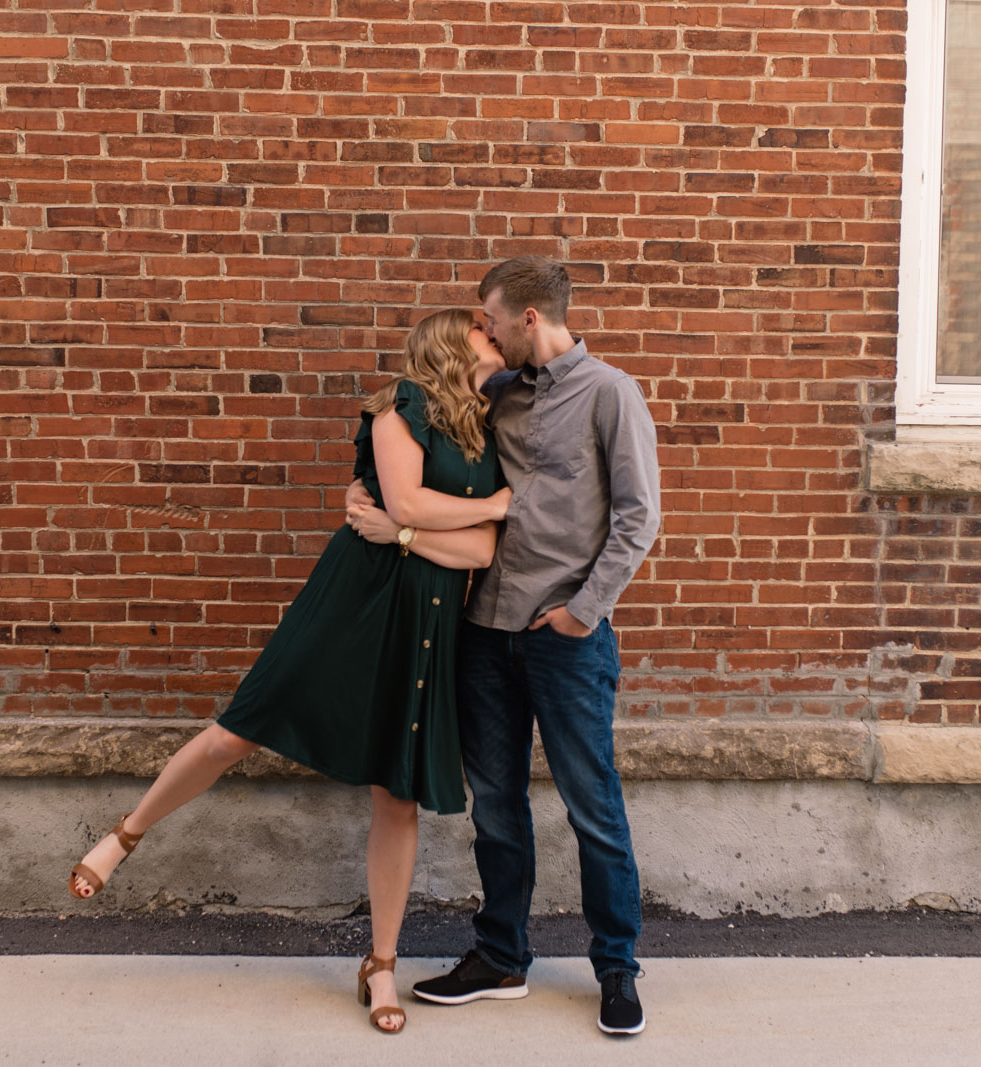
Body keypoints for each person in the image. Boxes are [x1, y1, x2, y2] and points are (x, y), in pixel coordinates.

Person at [66, 308, 510, 1035]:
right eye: (485, 334)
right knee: (241, 726)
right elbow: (405, 499)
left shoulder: (483, 428)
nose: (498, 341)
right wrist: (479, 507)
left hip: (427, 624)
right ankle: (125, 834)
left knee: (396, 794)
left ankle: (382, 963)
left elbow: (483, 553)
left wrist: (408, 534)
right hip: (354, 603)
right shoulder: (400, 404)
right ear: (449, 347)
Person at [353, 257, 661, 1036]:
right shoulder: (495, 397)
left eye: (490, 320)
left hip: (565, 638)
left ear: (530, 318)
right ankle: (500, 957)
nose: (481, 333)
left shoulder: (611, 394)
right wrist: (367, 489)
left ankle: (617, 969)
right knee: (496, 807)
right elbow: (420, 448)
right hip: (482, 636)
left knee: (594, 808)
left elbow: (638, 518)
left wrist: (583, 614)